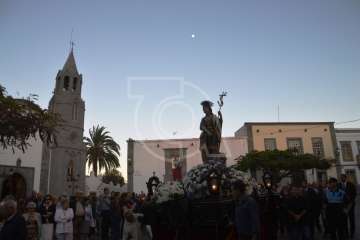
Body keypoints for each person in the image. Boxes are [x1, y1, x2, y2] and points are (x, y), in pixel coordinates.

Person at [340, 173, 357, 238]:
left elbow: (354, 194)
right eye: (341, 178)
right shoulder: (339, 185)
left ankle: (352, 232)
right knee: (344, 220)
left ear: (345, 178)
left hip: (351, 205)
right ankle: (346, 233)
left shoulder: (351, 184)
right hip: (343, 206)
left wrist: (351, 202)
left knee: (351, 219)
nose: (341, 179)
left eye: (342, 177)